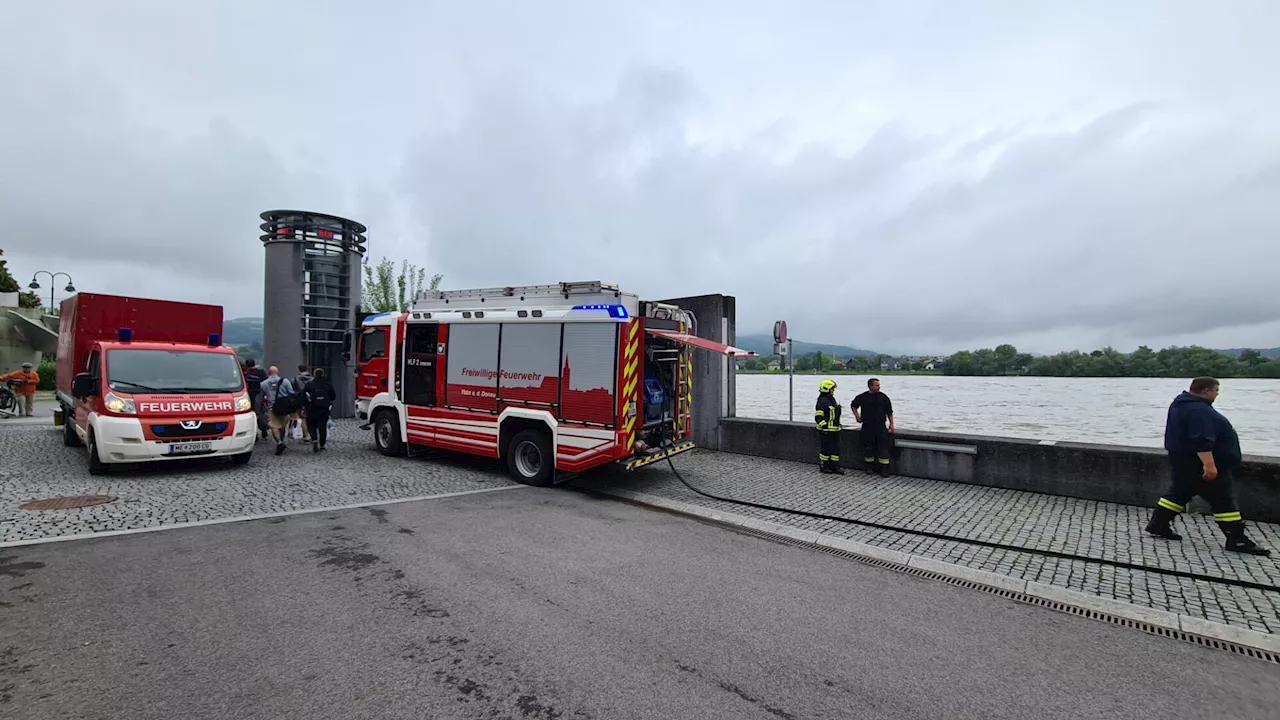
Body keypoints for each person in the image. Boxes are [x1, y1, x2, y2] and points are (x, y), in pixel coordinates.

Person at [1145, 377, 1270, 556]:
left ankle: (1158, 524)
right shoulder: (1198, 410)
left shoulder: (1180, 404)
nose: (1217, 395)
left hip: (1182, 460)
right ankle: (1237, 539)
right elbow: (1201, 440)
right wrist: (1209, 465)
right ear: (1206, 391)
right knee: (1223, 499)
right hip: (1199, 463)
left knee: (1179, 493)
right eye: (1216, 391)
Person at [851, 378, 894, 476]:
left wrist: (891, 424)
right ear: (870, 386)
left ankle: (884, 469)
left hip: (881, 427)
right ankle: (869, 467)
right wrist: (857, 416)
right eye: (877, 385)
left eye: (879, 385)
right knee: (868, 447)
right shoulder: (863, 397)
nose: (879, 387)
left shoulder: (883, 397)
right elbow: (853, 405)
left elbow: (889, 412)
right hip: (867, 426)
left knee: (883, 448)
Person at [259, 366, 296, 455]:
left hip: (272, 407)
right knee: (282, 426)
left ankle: (279, 442)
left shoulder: (263, 384)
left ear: (269, 373)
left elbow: (260, 397)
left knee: (274, 426)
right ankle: (281, 440)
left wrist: (259, 408)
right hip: (284, 408)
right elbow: (291, 394)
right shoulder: (285, 381)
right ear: (277, 372)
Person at [814, 378, 844, 474]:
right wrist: (824, 427)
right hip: (826, 431)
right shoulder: (822, 401)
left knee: (835, 449)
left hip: (835, 430)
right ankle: (824, 466)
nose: (833, 391)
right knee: (826, 449)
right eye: (832, 389)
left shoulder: (832, 400)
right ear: (827, 389)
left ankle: (834, 467)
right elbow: (818, 417)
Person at [304, 367, 336, 452]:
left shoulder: (309, 384)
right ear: (323, 374)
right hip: (324, 409)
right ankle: (322, 445)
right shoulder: (328, 384)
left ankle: (314, 439)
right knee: (322, 426)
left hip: (312, 408)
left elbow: (303, 395)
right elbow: (333, 396)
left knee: (311, 425)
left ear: (314, 375)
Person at [243, 359, 269, 440]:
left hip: (249, 398)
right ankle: (264, 428)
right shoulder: (261, 372)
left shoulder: (245, 374)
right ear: (254, 364)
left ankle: (255, 434)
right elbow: (266, 383)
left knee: (251, 416)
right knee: (262, 414)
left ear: (247, 365)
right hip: (260, 397)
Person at [292, 364, 314, 442]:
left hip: (300, 401)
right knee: (311, 417)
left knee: (303, 418)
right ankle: (313, 435)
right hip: (311, 401)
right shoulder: (313, 379)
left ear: (299, 370)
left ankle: (306, 435)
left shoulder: (295, 379)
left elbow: (292, 391)